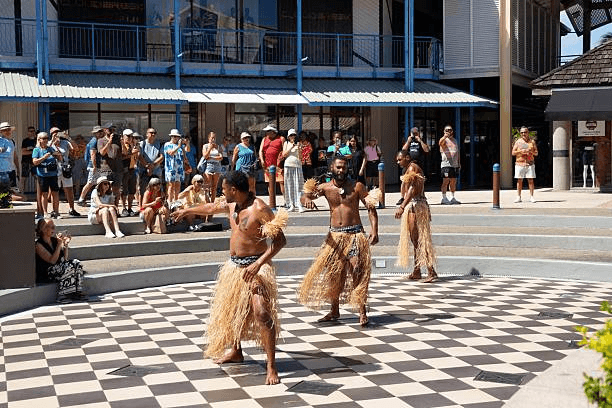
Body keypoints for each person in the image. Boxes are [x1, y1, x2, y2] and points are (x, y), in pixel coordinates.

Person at [171, 171, 288, 385]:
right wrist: (187, 209)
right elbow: (210, 208)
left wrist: (258, 264)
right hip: (234, 268)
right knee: (234, 312)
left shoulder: (260, 209)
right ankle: (236, 351)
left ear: (234, 189)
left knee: (261, 312)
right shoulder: (233, 205)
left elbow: (280, 242)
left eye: (223, 189)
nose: (221, 193)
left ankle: (271, 365)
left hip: (256, 268)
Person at [299, 156, 379, 327]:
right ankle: (334, 310)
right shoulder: (326, 188)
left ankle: (362, 310)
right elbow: (306, 194)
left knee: (357, 269)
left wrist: (375, 230)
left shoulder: (357, 186)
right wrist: (305, 199)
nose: (341, 170)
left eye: (344, 167)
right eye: (338, 167)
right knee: (334, 274)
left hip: (355, 234)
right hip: (335, 237)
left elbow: (371, 208)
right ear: (331, 168)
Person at [395, 150, 438, 283]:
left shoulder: (413, 168)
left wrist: (402, 206)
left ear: (407, 158)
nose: (398, 162)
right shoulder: (409, 168)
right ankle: (417, 270)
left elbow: (412, 189)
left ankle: (431, 271)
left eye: (400, 159)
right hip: (414, 206)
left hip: (417, 206)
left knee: (420, 239)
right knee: (415, 239)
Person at [35, 219, 86, 303]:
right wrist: (59, 244)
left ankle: (77, 291)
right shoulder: (38, 245)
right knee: (68, 266)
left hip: (58, 267)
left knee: (76, 263)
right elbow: (52, 261)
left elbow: (64, 259)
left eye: (54, 226)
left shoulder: (54, 241)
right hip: (47, 272)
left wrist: (65, 245)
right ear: (43, 229)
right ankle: (62, 295)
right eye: (51, 227)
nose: (54, 228)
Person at [32, 132, 62, 219]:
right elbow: (34, 162)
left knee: (55, 193)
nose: (45, 140)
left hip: (53, 173)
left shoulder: (50, 148)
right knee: (44, 194)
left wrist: (57, 154)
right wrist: (44, 157)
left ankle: (56, 212)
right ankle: (45, 212)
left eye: (46, 138)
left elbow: (60, 158)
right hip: (42, 174)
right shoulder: (36, 150)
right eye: (43, 138)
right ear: (39, 140)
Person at [51, 129, 81, 217]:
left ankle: (72, 209)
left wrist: (68, 138)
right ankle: (55, 210)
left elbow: (75, 148)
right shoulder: (49, 143)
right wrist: (53, 141)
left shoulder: (65, 142)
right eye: (54, 133)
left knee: (69, 189)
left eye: (58, 132)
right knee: (55, 190)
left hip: (65, 167)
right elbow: (45, 150)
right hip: (54, 168)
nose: (56, 134)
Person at [400, 127, 430, 205]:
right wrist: (408, 141)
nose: (414, 135)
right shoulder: (408, 141)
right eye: (413, 133)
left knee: (420, 180)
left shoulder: (421, 140)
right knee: (405, 180)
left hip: (418, 164)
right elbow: (403, 150)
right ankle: (402, 197)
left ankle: (421, 195)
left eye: (416, 133)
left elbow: (426, 150)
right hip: (408, 164)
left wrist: (420, 140)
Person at [77, 126, 105, 206]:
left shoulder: (96, 140)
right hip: (93, 165)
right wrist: (95, 166)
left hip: (95, 165)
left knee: (96, 182)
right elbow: (93, 154)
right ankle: (81, 199)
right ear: (95, 133)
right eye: (98, 132)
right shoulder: (94, 141)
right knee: (90, 183)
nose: (100, 133)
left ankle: (95, 199)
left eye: (100, 131)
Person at [511, 126, 538, 203]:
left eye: (525, 132)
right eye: (522, 132)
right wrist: (520, 151)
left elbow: (536, 153)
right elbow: (513, 153)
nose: (523, 134)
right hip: (520, 163)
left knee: (531, 180)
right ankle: (518, 197)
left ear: (528, 133)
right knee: (519, 180)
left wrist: (531, 152)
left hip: (529, 163)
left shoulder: (532, 142)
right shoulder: (518, 142)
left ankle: (532, 196)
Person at [138, 128, 164, 205]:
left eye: (154, 133)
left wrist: (152, 165)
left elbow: (161, 157)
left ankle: (158, 205)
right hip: (144, 170)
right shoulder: (142, 144)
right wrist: (147, 166)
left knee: (158, 189)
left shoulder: (159, 144)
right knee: (143, 189)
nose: (153, 134)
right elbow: (140, 156)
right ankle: (141, 206)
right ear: (147, 134)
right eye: (151, 132)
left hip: (156, 170)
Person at [259, 124, 285, 200]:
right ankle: (271, 201)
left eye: (268, 131)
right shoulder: (264, 139)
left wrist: (282, 157)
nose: (267, 133)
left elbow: (284, 150)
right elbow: (260, 150)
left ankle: (286, 201)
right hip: (267, 163)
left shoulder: (281, 138)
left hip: (278, 164)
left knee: (281, 182)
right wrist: (262, 160)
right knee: (270, 183)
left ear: (273, 132)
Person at [164, 129, 190, 203]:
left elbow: (187, 151)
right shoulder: (167, 144)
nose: (176, 138)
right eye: (174, 136)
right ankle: (170, 201)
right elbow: (171, 153)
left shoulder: (180, 147)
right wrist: (178, 146)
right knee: (171, 185)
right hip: (171, 168)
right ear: (171, 137)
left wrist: (187, 143)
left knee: (178, 185)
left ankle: (176, 201)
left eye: (177, 137)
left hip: (179, 168)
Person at [282, 128, 305, 212]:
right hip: (288, 165)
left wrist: (299, 148)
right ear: (288, 136)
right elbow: (284, 154)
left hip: (297, 165)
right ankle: (291, 204)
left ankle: (299, 204)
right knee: (289, 185)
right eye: (291, 135)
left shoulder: (299, 144)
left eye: (294, 135)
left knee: (298, 185)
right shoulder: (286, 143)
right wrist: (291, 146)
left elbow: (301, 157)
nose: (293, 137)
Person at [439, 125, 461, 205]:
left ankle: (452, 197)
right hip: (446, 164)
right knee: (446, 181)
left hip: (454, 164)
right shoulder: (444, 140)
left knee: (453, 181)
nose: (448, 131)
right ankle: (444, 198)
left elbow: (457, 152)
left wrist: (459, 163)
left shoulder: (455, 140)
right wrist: (444, 137)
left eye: (450, 130)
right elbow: (440, 143)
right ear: (444, 131)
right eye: (446, 130)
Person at [120, 129, 139, 216]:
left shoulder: (133, 145)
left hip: (132, 168)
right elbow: (121, 157)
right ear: (123, 136)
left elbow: (136, 157)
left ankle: (130, 208)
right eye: (128, 136)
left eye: (131, 136)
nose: (130, 138)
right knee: (124, 190)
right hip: (124, 169)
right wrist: (131, 153)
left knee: (132, 190)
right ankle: (124, 208)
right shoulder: (121, 145)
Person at [202, 131, 223, 203]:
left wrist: (212, 157)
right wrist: (210, 148)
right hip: (208, 165)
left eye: (214, 138)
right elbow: (205, 156)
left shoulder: (218, 146)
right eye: (211, 138)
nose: (213, 140)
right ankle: (207, 201)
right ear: (209, 139)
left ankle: (213, 201)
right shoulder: (205, 146)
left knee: (214, 186)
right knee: (207, 185)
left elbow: (221, 157)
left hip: (217, 166)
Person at [0, 122, 20, 193]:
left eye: (8, 129)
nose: (7, 131)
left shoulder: (12, 142)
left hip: (11, 169)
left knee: (12, 191)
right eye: (5, 130)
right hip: (1, 171)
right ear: (1, 131)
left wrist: (18, 169)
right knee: (3, 192)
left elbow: (15, 156)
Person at [69, 134, 88, 199]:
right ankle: (77, 192)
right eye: (78, 139)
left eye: (80, 139)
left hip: (82, 160)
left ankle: (86, 192)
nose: (79, 141)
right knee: (78, 177)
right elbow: (71, 154)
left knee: (87, 177)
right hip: (78, 161)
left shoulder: (84, 145)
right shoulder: (74, 146)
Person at [20, 125, 37, 193]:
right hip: (25, 161)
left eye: (33, 131)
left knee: (37, 177)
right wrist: (33, 151)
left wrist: (29, 151)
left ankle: (38, 193)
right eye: (31, 131)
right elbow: (23, 152)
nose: (32, 132)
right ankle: (22, 192)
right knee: (24, 178)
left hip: (34, 161)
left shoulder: (37, 140)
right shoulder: (25, 141)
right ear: (28, 132)